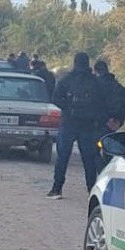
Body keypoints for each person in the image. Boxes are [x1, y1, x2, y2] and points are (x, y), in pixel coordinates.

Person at [46, 52, 107, 200]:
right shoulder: (95, 81)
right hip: (87, 125)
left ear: (75, 63)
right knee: (89, 159)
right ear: (88, 64)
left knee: (62, 158)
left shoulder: (67, 79)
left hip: (68, 123)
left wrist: (68, 108)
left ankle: (57, 189)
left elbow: (55, 98)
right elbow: (102, 103)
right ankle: (91, 190)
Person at [94, 59, 125, 132]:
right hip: (113, 124)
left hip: (97, 125)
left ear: (96, 71)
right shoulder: (118, 87)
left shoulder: (94, 86)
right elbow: (124, 105)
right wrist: (118, 121)